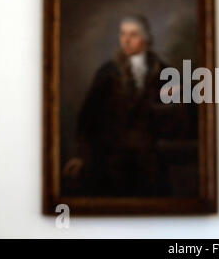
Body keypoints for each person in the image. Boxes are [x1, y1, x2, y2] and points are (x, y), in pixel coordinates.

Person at [63, 15, 197, 197]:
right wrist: (79, 155)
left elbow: (184, 118)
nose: (125, 40)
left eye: (133, 35)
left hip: (149, 160)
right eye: (122, 34)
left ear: (146, 39)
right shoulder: (107, 72)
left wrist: (176, 99)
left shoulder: (166, 73)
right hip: (111, 159)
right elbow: (88, 116)